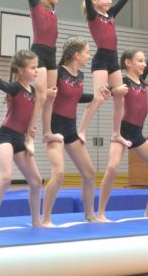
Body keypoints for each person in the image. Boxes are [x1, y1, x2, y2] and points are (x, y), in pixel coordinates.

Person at [95, 17, 148, 221]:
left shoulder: (141, 79)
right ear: (128, 63)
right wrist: (109, 89)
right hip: (122, 132)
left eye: (143, 61)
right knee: (112, 168)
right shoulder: (124, 81)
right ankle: (100, 213)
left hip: (137, 134)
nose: (144, 63)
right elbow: (110, 90)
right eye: (139, 61)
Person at [40, 37, 109, 226]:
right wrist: (46, 129)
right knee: (59, 173)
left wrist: (98, 95)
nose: (89, 55)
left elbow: (75, 97)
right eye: (87, 51)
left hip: (70, 129)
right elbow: (47, 99)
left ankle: (89, 215)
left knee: (89, 172)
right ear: (77, 55)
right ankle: (45, 218)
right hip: (56, 128)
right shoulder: (59, 73)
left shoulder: (80, 76)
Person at [0, 51, 49, 231]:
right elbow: (5, 86)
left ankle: (36, 221)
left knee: (36, 181)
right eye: (32, 68)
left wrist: (29, 140)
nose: (36, 71)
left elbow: (32, 120)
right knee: (6, 176)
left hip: (20, 139)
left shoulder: (33, 91)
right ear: (21, 70)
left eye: (36, 67)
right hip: (5, 136)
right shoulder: (16, 87)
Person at [80, 0, 146, 149]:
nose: (109, 1)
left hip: (113, 59)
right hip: (101, 59)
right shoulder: (93, 16)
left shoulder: (111, 15)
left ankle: (116, 134)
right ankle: (82, 130)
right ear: (94, 1)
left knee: (121, 96)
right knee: (99, 97)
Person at [0, 0, 82, 94]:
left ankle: (48, 118)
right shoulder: (36, 6)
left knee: (51, 96)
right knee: (41, 96)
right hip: (39, 52)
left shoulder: (51, 7)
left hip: (52, 54)